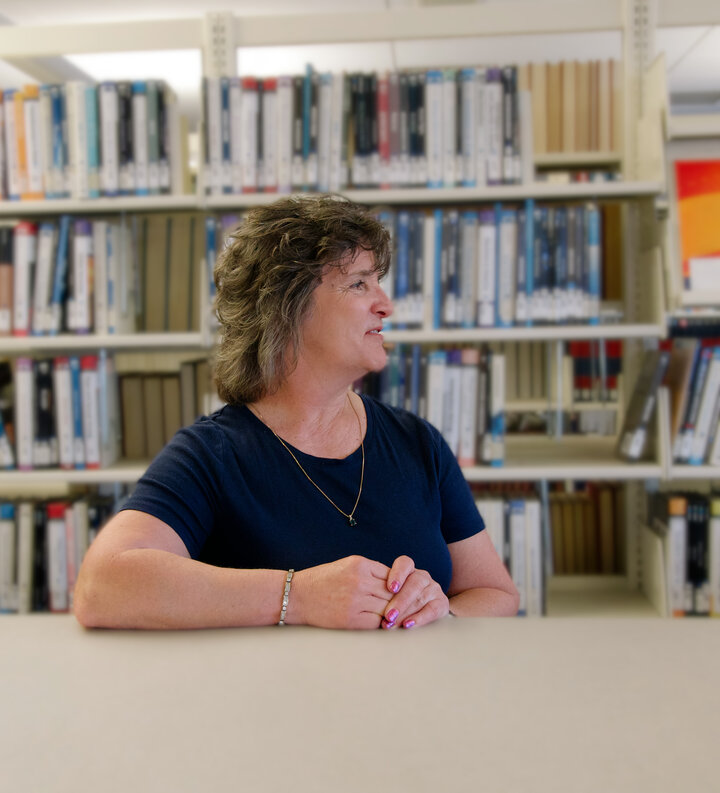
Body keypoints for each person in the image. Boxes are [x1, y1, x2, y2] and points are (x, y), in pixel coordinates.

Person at [74, 195, 519, 630]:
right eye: (359, 283)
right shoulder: (213, 455)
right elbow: (101, 587)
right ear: (289, 307)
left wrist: (439, 613)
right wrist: (299, 596)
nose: (385, 304)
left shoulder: (417, 442)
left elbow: (496, 594)